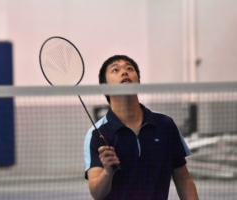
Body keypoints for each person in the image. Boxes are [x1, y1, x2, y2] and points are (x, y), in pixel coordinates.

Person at [84, 55, 199, 200]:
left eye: (129, 68)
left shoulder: (165, 125)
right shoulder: (97, 134)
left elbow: (183, 180)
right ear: (104, 87)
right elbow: (96, 194)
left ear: (138, 80)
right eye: (115, 70)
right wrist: (108, 171)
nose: (124, 72)